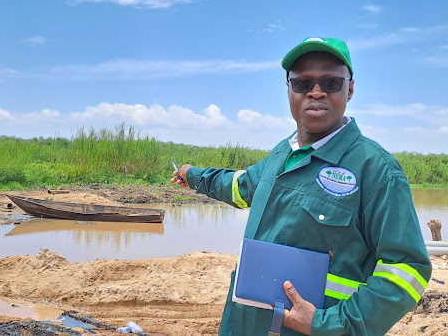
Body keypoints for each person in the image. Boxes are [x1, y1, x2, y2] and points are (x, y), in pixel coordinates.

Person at [171, 37, 431, 336]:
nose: (316, 92)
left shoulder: (377, 170)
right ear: (289, 90)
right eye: (303, 83)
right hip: (243, 324)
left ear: (350, 89)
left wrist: (329, 325)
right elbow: (241, 186)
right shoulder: (282, 153)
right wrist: (193, 175)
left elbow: (407, 270)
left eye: (331, 82)